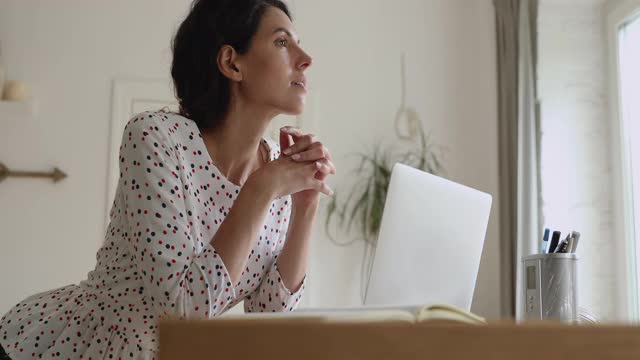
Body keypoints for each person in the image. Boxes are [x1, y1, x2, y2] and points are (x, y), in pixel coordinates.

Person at [0, 0, 335, 358]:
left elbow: (270, 319)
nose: (306, 58)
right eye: (282, 42)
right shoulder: (156, 138)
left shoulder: (275, 169)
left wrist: (305, 204)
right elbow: (182, 312)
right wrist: (261, 189)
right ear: (231, 62)